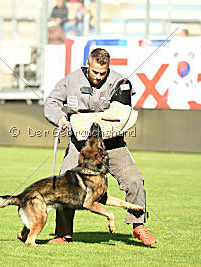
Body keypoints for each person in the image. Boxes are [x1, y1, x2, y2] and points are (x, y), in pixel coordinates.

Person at [44, 48, 157, 246]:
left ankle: (138, 226)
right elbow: (51, 102)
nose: (98, 76)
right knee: (64, 184)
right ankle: (63, 233)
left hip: (112, 144)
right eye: (95, 72)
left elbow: (124, 110)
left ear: (108, 68)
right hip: (81, 145)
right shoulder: (69, 81)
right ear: (88, 64)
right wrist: (60, 117)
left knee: (134, 180)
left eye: (103, 73)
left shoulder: (119, 82)